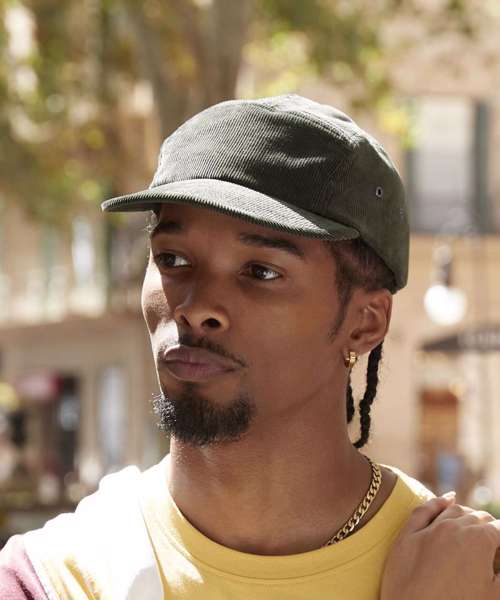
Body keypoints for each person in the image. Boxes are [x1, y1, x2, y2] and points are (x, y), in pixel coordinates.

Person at [1, 94, 499, 599]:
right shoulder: (50, 579)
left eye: (260, 272)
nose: (197, 306)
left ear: (364, 323)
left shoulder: (473, 571)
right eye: (172, 260)